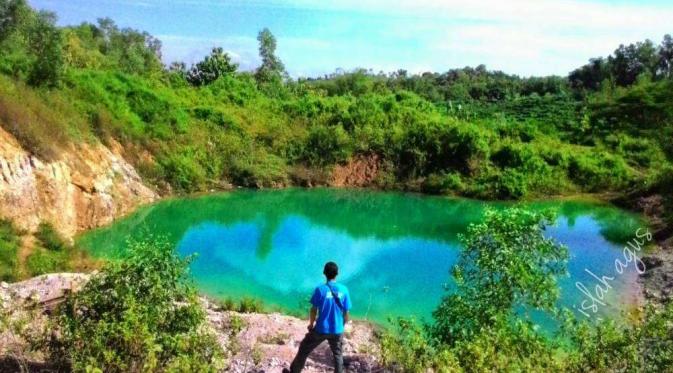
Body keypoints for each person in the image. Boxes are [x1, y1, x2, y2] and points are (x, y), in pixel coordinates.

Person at [285, 261, 352, 373]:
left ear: (324, 273)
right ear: (337, 273)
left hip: (321, 329)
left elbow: (313, 310)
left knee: (304, 348)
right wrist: (341, 326)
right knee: (338, 355)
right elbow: (346, 313)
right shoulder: (344, 290)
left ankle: (294, 371)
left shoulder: (320, 290)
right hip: (337, 330)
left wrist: (311, 324)